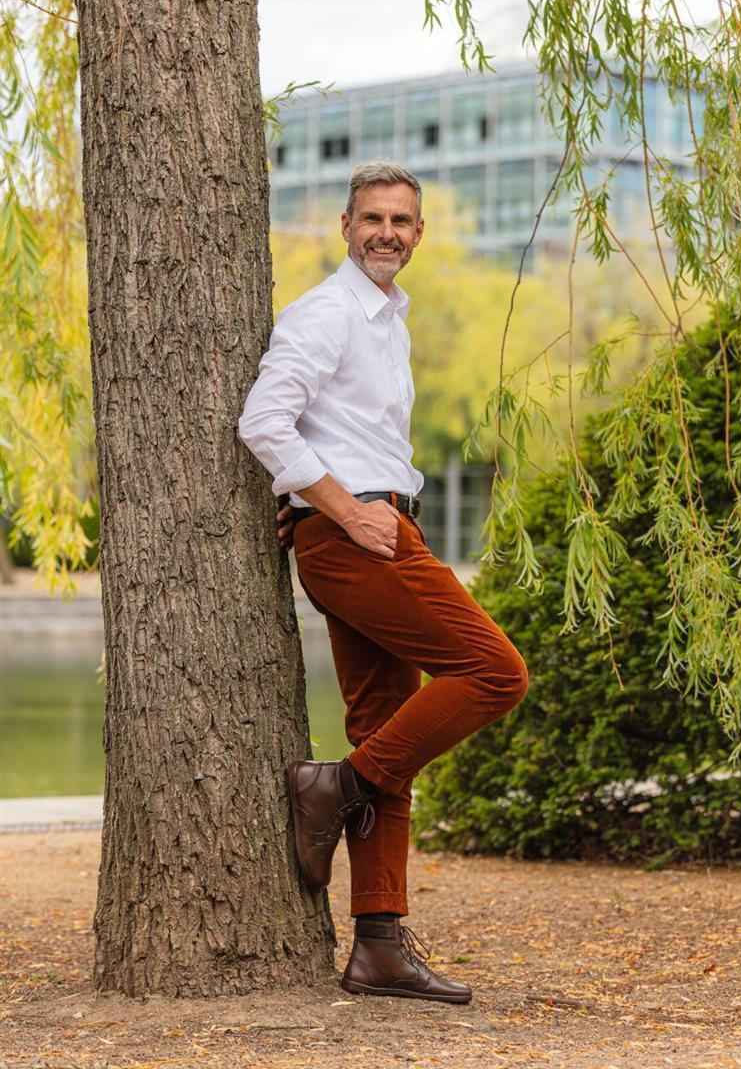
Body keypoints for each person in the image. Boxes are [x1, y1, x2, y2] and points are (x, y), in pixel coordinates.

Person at [238, 161, 528, 1004]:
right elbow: (263, 420)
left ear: (420, 233)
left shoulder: (388, 319)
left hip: (376, 525)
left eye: (402, 221)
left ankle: (377, 945)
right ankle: (334, 786)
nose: (387, 233)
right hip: (353, 533)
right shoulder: (327, 314)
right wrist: (345, 508)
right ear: (345, 225)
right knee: (496, 671)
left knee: (384, 726)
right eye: (372, 218)